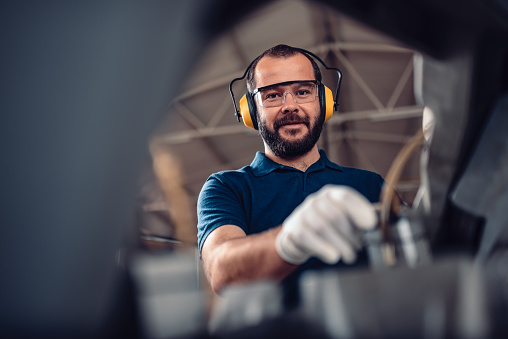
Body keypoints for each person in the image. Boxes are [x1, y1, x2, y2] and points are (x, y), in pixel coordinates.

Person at [197, 44, 384, 306]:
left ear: (324, 101)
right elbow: (220, 270)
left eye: (303, 91)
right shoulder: (227, 187)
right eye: (272, 96)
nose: (290, 106)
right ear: (251, 111)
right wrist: (289, 242)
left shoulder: (371, 184)